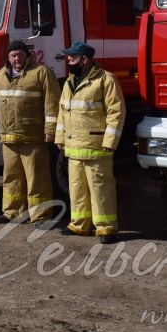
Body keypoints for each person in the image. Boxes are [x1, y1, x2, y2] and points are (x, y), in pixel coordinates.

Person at [0, 40, 61, 226]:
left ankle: (41, 216)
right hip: (9, 138)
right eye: (13, 55)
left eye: (20, 55)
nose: (17, 59)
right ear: (8, 57)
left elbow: (52, 103)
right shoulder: (0, 76)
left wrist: (51, 131)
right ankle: (13, 213)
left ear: (27, 56)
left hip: (33, 137)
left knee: (37, 178)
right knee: (11, 178)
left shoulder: (41, 72)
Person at [55, 42, 126, 244]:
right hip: (74, 147)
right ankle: (79, 225)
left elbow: (116, 112)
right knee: (77, 187)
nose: (68, 61)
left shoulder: (106, 80)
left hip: (96, 146)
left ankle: (106, 229)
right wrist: (60, 137)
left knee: (100, 188)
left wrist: (110, 141)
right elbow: (63, 111)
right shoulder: (69, 82)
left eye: (72, 58)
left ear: (84, 59)